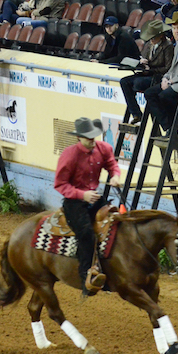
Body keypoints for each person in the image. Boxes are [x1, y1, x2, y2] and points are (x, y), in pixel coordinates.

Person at [54, 116, 120, 297]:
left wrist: (115, 176)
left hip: (94, 198)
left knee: (116, 224)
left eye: (93, 136)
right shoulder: (69, 155)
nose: (92, 140)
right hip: (74, 202)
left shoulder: (104, 148)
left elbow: (112, 165)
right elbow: (60, 184)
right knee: (86, 234)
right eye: (88, 137)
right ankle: (86, 277)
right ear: (79, 138)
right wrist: (82, 194)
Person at [120, 19, 174, 125]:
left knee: (138, 83)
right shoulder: (149, 44)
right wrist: (141, 62)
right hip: (146, 72)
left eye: (153, 37)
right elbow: (144, 57)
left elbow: (168, 68)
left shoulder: (168, 46)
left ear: (161, 35)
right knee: (124, 82)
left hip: (158, 76)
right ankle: (136, 113)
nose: (151, 40)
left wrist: (151, 69)